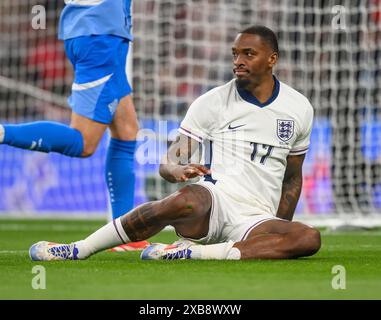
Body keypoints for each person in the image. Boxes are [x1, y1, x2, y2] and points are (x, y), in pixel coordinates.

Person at [29, 25, 321, 262]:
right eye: (235, 54)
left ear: (272, 59)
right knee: (184, 198)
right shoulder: (212, 102)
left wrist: (277, 233)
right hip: (214, 204)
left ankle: (194, 253)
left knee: (309, 238)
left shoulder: (298, 108)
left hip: (256, 218)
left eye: (248, 54)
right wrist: (175, 170)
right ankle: (79, 249)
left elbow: (292, 178)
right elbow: (169, 161)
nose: (238, 62)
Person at [0, 1, 149, 250]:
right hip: (100, 35)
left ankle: (124, 234)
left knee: (126, 130)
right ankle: (4, 132)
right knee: (83, 142)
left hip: (98, 31)